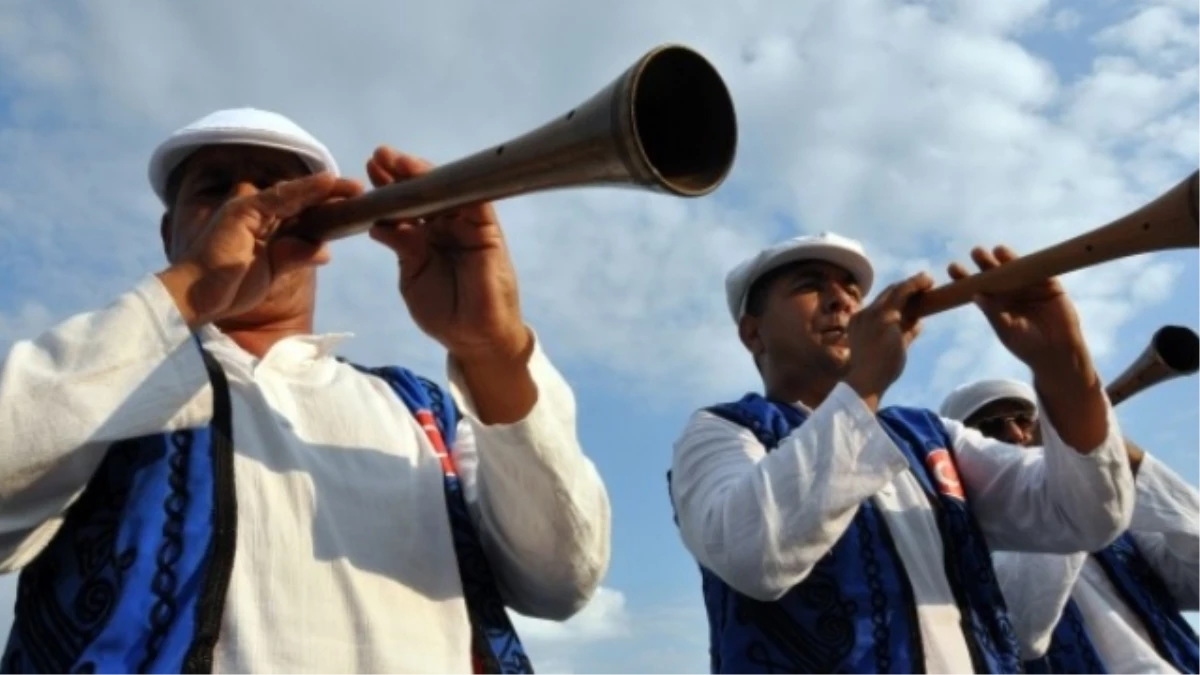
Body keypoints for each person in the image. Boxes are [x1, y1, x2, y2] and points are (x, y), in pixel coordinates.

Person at [0, 108, 611, 674]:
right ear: (170, 233)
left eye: (273, 189)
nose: (244, 205)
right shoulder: (102, 379)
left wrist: (491, 350)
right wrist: (186, 291)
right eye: (213, 189)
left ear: (322, 231)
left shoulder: (420, 410)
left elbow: (561, 579)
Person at [666, 231, 1136, 674]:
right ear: (753, 335)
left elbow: (1085, 515)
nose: (842, 300)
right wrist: (865, 384)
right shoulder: (719, 431)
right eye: (810, 287)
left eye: (852, 290)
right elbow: (753, 556)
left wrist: (1061, 363)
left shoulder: (932, 436)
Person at [941, 378, 1200, 674]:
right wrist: (1074, 493)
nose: (1015, 435)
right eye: (990, 427)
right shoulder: (964, 546)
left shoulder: (1120, 525)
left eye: (1026, 420)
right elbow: (1021, 629)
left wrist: (1114, 449)